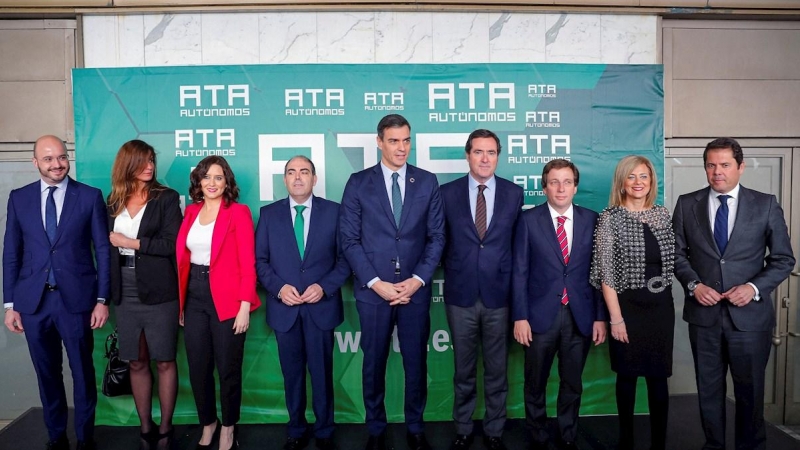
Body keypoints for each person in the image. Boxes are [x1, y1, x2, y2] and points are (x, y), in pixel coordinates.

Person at [672, 138, 794, 450]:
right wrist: (694, 285)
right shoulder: (688, 204)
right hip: (705, 317)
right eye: (711, 165)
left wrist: (753, 288)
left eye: (725, 165)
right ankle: (714, 445)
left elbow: (783, 259)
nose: (717, 172)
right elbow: (677, 255)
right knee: (708, 391)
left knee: (749, 393)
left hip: (750, 319)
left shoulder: (764, 204)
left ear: (740, 166)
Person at [339, 114, 445, 450]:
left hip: (414, 291)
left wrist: (416, 280)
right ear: (380, 142)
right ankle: (375, 427)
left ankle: (415, 426)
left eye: (406, 140)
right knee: (373, 363)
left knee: (416, 361)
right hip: (374, 293)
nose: (402, 148)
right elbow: (349, 240)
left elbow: (437, 238)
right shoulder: (358, 183)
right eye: (395, 141)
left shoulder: (427, 182)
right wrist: (375, 282)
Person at [3, 135, 110, 450]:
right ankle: (55, 436)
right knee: (46, 373)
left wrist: (102, 299)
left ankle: (85, 437)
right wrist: (10, 304)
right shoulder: (19, 198)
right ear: (35, 162)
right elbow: (12, 253)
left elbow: (102, 251)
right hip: (33, 303)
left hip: (77, 301)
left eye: (61, 157)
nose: (57, 164)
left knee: (82, 371)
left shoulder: (89, 196)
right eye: (48, 159)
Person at [255, 155, 351, 450]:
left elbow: (345, 259)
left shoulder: (334, 212)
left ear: (314, 179)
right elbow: (260, 262)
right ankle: (296, 428)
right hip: (285, 310)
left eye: (304, 172)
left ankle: (324, 430)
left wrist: (324, 287)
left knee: (322, 375)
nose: (298, 177)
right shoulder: (269, 215)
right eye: (291, 172)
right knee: (292, 374)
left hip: (321, 308)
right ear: (284, 179)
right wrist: (279, 288)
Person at [513, 159, 606, 450]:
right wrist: (520, 316)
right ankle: (537, 434)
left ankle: (568, 433)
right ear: (544, 187)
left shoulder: (593, 220)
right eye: (554, 182)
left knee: (572, 383)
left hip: (580, 316)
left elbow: (600, 273)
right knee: (535, 382)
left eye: (567, 182)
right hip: (539, 317)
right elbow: (519, 272)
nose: (561, 188)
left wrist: (601, 317)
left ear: (575, 186)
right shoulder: (528, 220)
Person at [439, 129, 522, 450]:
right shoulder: (447, 193)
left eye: (491, 152)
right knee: (463, 370)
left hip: (499, 297)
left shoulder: (514, 194)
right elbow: (439, 241)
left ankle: (494, 430)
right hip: (460, 295)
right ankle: (462, 427)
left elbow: (518, 249)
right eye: (478, 152)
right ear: (468, 155)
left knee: (497, 370)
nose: (485, 158)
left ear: (498, 156)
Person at [589, 155, 675, 450]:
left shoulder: (662, 215)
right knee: (627, 376)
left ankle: (658, 444)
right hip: (626, 309)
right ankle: (626, 441)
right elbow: (606, 273)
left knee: (658, 378)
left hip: (661, 310)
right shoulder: (610, 218)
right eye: (632, 177)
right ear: (622, 183)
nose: (638, 182)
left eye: (644, 176)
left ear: (651, 181)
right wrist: (616, 318)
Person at [176, 156, 260, 450]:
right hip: (194, 295)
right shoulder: (191, 213)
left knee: (227, 368)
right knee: (198, 367)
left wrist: (244, 305)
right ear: (198, 181)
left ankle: (228, 426)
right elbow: (184, 261)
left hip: (227, 298)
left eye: (219, 177)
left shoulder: (238, 212)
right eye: (206, 177)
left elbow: (248, 263)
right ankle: (208, 422)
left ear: (227, 183)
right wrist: (183, 305)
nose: (212, 183)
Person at [107, 140, 182, 450]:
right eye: (143, 161)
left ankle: (165, 426)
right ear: (128, 163)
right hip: (124, 290)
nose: (150, 166)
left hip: (160, 290)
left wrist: (131, 242)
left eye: (152, 159)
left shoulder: (166, 198)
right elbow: (104, 247)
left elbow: (171, 246)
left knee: (164, 360)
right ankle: (145, 423)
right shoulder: (112, 201)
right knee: (136, 361)